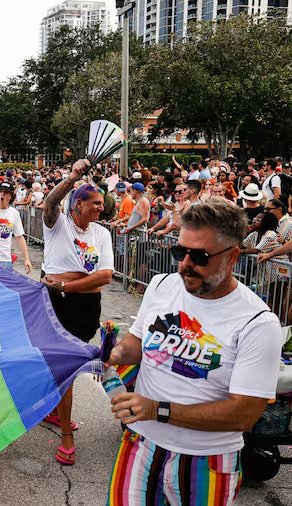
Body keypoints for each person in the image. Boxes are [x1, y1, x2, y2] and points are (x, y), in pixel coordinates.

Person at [104, 200, 283, 505]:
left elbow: (244, 414)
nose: (185, 264)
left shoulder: (257, 322)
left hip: (206, 462)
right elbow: (137, 344)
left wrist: (156, 409)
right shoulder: (162, 285)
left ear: (233, 257)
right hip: (141, 445)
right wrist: (114, 353)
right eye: (179, 252)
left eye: (199, 256)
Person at [40, 159, 114, 466]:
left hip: (83, 308)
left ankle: (55, 411)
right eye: (95, 204)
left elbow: (106, 277)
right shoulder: (58, 223)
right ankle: (67, 437)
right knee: (65, 368)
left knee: (64, 367)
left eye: (101, 204)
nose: (101, 208)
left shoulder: (101, 234)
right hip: (53, 304)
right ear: (78, 204)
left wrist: (67, 285)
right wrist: (71, 177)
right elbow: (50, 202)